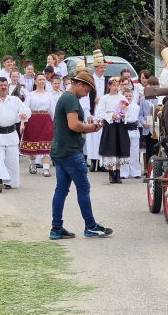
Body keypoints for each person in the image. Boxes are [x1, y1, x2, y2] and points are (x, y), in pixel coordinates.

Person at [49, 71, 112, 239]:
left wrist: (86, 126)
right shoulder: (70, 99)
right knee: (83, 189)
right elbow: (73, 125)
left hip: (60, 150)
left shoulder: (65, 97)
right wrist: (89, 128)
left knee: (61, 190)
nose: (86, 95)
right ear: (79, 84)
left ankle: (56, 228)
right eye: (86, 91)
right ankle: (90, 226)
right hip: (70, 152)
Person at [22, 73, 55, 176]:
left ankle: (46, 168)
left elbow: (53, 111)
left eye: (43, 79)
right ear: (35, 82)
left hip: (46, 120)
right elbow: (25, 109)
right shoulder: (30, 95)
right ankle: (33, 164)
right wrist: (23, 123)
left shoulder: (49, 95)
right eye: (40, 79)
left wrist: (54, 123)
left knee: (47, 144)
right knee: (32, 144)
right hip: (33, 120)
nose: (42, 81)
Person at [97, 77, 129, 183]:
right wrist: (111, 115)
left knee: (120, 146)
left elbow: (127, 111)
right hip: (110, 125)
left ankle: (118, 173)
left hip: (120, 125)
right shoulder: (104, 98)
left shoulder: (122, 97)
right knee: (110, 147)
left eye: (117, 85)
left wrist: (123, 115)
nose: (116, 87)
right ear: (109, 86)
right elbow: (100, 112)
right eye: (113, 85)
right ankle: (111, 173)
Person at [86, 49, 109, 172]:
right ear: (96, 68)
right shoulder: (90, 80)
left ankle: (101, 162)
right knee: (92, 138)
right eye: (101, 67)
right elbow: (85, 96)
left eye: (104, 67)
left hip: (103, 113)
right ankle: (93, 162)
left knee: (102, 138)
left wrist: (103, 100)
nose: (103, 69)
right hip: (93, 112)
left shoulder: (107, 80)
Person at [139, 76, 159, 173]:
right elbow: (140, 114)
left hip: (156, 126)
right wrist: (143, 122)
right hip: (147, 127)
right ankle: (147, 169)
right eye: (151, 85)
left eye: (155, 85)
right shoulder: (143, 99)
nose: (153, 87)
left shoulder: (159, 98)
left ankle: (156, 169)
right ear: (148, 85)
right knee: (148, 149)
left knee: (157, 148)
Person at [121, 88, 141, 179]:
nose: (128, 97)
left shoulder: (137, 107)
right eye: (126, 96)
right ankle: (124, 172)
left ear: (133, 96)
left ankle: (135, 172)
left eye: (130, 96)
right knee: (125, 152)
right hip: (125, 130)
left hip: (134, 130)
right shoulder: (121, 106)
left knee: (134, 153)